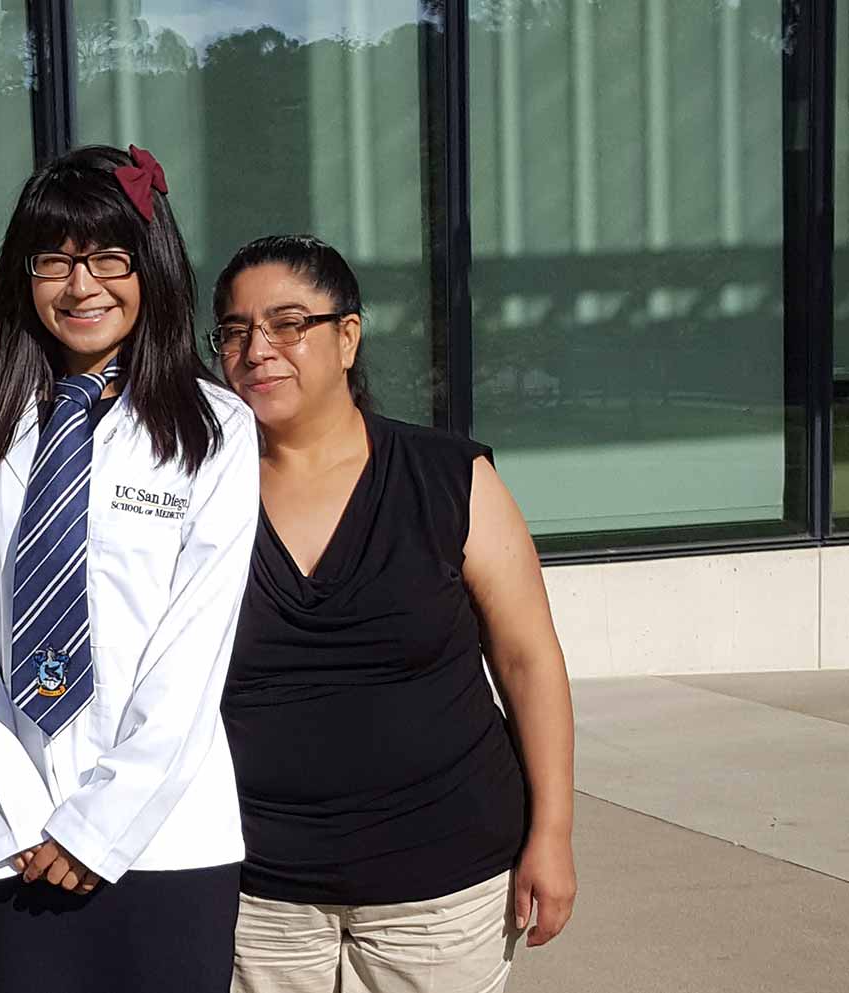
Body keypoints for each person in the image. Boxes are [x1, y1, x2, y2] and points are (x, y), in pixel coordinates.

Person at [0, 144, 259, 993]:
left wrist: (96, 825)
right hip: (21, 842)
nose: (82, 287)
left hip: (167, 835)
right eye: (55, 261)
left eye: (110, 258)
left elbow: (193, 654)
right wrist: (23, 818)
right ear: (22, 277)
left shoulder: (214, 431)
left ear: (152, 267)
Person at [212, 235, 577, 993]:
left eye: (287, 323)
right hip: (258, 888)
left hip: (442, 881)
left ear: (348, 336)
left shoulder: (448, 476)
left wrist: (554, 831)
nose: (258, 349)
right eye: (236, 330)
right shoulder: (195, 488)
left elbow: (527, 657)